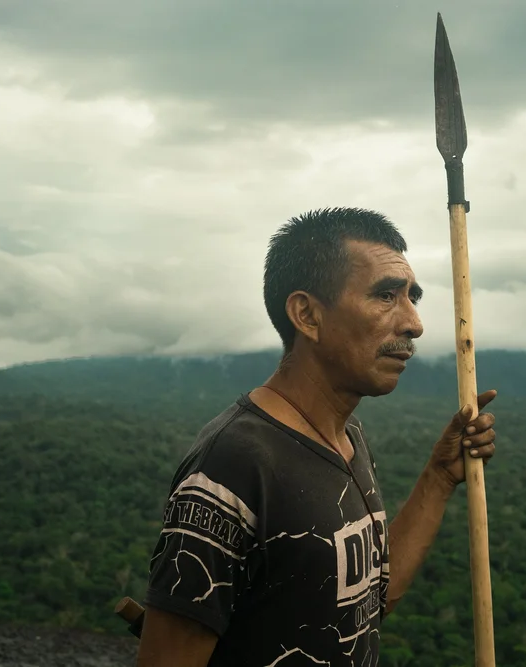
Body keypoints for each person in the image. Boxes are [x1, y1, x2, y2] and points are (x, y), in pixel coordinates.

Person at [135, 207, 498, 666]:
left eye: (413, 297)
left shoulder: (347, 438)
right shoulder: (233, 467)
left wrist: (438, 479)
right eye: (386, 296)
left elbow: (365, 606)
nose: (414, 323)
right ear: (307, 314)